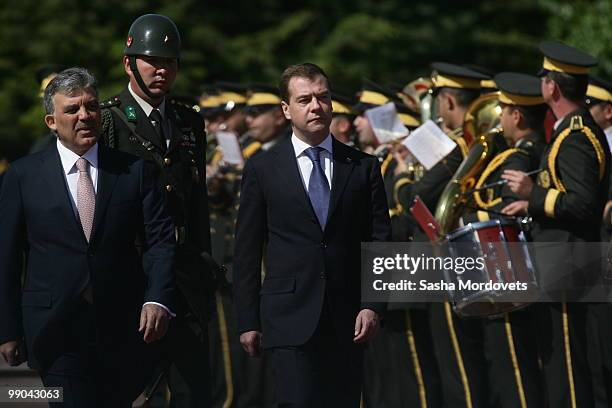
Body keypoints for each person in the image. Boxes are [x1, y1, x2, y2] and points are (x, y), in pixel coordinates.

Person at [0, 67, 175, 407]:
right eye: (73, 109)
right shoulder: (22, 176)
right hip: (55, 330)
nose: (85, 116)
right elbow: (6, 256)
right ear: (51, 121)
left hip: (123, 328)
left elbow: (160, 241)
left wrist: (157, 298)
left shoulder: (134, 171)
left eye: (92, 107)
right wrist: (7, 328)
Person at [233, 63, 390, 407]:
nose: (316, 107)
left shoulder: (363, 167)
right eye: (304, 100)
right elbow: (246, 248)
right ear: (286, 110)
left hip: (347, 318)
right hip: (288, 316)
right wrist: (247, 319)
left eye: (322, 97)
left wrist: (372, 304)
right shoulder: (263, 168)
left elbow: (379, 243)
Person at [99, 14, 213, 407]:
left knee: (193, 391)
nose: (161, 70)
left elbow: (196, 204)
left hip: (186, 275)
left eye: (169, 62)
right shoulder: (109, 120)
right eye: (151, 60)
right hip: (133, 272)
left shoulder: (188, 122)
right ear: (128, 63)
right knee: (133, 389)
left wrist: (205, 266)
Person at [502, 40, 610, 408]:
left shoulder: (576, 136)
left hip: (569, 268)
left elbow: (584, 206)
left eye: (545, 77)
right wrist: (529, 202)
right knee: (561, 372)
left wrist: (533, 192)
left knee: (570, 374)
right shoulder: (570, 131)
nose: (543, 84)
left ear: (553, 86)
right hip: (560, 266)